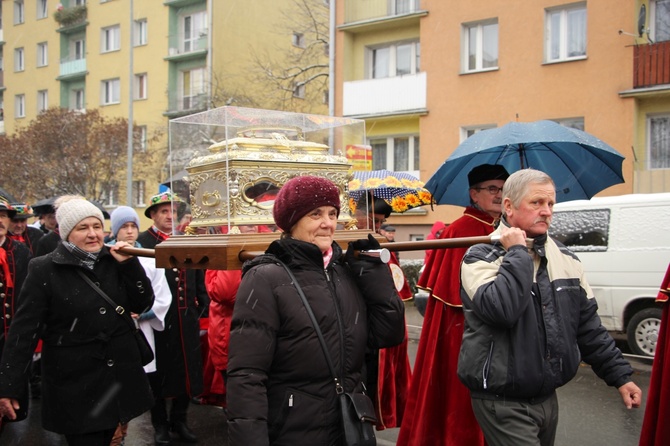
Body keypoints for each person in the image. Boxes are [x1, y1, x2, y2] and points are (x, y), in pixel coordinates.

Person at [458, 169, 642, 446]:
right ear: (508, 206)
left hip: (547, 397)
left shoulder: (566, 258)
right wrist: (518, 252)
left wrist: (620, 377)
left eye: (551, 204)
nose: (546, 211)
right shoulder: (480, 256)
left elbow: (588, 327)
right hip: (502, 400)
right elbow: (502, 310)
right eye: (536, 203)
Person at [226, 175, 405, 445]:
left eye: (333, 214)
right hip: (295, 429)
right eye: (316, 214)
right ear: (291, 221)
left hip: (349, 425)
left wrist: (374, 274)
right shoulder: (265, 278)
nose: (328, 223)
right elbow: (247, 375)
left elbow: (388, 334)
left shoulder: (343, 271)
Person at [0, 196, 154, 445]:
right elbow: (24, 332)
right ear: (66, 232)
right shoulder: (44, 269)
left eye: (96, 226)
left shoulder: (115, 259)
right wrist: (8, 385)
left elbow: (141, 303)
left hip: (118, 379)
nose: (93, 234)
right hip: (75, 383)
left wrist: (130, 267)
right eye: (83, 228)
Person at [397, 163, 509, 446]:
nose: (499, 194)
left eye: (504, 188)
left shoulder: (504, 228)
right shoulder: (464, 229)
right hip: (463, 330)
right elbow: (456, 295)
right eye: (492, 189)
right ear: (474, 194)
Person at [137, 191, 209, 445]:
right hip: (157, 320)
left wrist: (202, 307)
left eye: (173, 211)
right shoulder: (143, 241)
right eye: (164, 212)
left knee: (188, 372)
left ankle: (180, 419)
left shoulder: (185, 238)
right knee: (158, 373)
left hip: (186, 318)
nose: (170, 216)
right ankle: (159, 424)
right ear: (153, 216)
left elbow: (198, 273)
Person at [108, 206, 172, 446]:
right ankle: (116, 432)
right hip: (118, 330)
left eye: (133, 226)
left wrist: (146, 313)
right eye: (124, 227)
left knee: (145, 380)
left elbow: (162, 294)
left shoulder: (148, 255)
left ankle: (136, 427)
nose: (129, 231)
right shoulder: (107, 256)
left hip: (142, 329)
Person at [353, 195, 412, 430]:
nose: (376, 227)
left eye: (380, 222)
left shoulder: (381, 246)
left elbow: (397, 286)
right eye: (372, 220)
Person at [203, 224, 259, 407]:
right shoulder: (223, 247)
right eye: (243, 221)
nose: (252, 225)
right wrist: (236, 248)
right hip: (231, 337)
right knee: (240, 404)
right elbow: (225, 293)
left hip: (257, 338)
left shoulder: (262, 243)